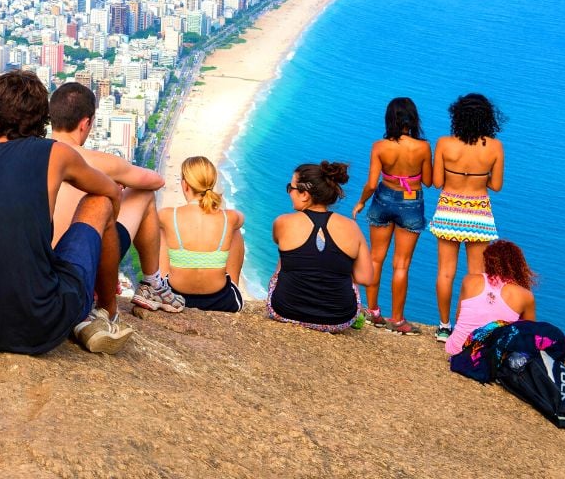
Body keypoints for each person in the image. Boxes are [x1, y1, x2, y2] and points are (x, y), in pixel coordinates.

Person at [0, 70, 129, 355]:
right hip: (35, 323)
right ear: (43, 121)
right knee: (99, 203)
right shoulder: (55, 153)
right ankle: (106, 312)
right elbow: (111, 191)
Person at [48, 82, 184, 313]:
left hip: (42, 266)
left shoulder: (32, 155)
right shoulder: (96, 161)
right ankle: (152, 284)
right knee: (143, 194)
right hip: (82, 262)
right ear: (85, 124)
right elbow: (156, 181)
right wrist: (116, 178)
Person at [350, 98, 433, 335]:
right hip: (411, 202)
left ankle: (373, 312)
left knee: (376, 258)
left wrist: (361, 202)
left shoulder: (379, 146)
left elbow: (370, 183)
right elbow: (427, 181)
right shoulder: (423, 147)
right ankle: (397, 321)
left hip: (383, 199)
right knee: (401, 265)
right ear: (413, 119)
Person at [431, 93, 505, 343]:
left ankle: (444, 327)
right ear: (487, 118)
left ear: (457, 116)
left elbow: (438, 182)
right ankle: (469, 329)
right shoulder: (494, 147)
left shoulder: (444, 144)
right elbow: (496, 185)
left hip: (449, 209)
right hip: (479, 214)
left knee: (445, 272)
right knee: (477, 275)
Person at [267, 162, 373, 333]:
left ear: (304, 195)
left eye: (291, 188)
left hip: (284, 310)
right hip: (339, 320)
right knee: (348, 271)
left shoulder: (283, 222)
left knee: (287, 257)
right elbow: (366, 278)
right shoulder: (352, 227)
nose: (289, 192)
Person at [157, 156, 245, 312]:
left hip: (175, 297)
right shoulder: (230, 217)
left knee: (162, 228)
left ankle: (161, 286)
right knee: (234, 230)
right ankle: (233, 285)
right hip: (221, 300)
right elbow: (241, 219)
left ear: (185, 185)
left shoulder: (167, 215)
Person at [445, 240, 536, 357]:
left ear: (488, 260)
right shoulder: (525, 295)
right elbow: (529, 334)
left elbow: (459, 317)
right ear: (519, 265)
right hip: (491, 359)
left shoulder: (469, 280)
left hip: (457, 349)